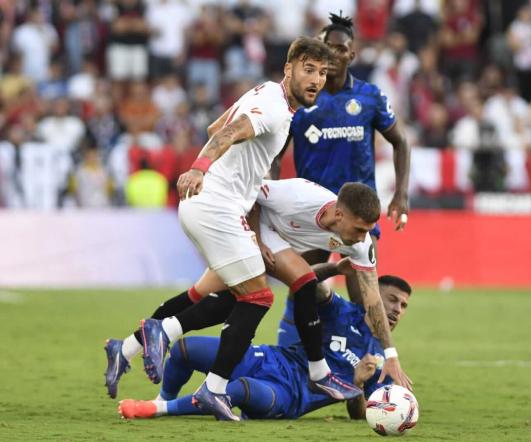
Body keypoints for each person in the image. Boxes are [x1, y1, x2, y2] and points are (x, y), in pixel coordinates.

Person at [144, 37, 333, 421]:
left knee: (234, 293)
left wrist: (239, 170)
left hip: (212, 204)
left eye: (323, 73)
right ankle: (180, 355)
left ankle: (152, 341)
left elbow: (218, 124)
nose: (316, 79)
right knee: (258, 298)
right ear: (289, 68)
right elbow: (228, 133)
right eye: (309, 69)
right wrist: (200, 167)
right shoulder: (277, 112)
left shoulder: (265, 92)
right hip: (216, 205)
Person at [105, 180, 411, 399]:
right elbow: (251, 195)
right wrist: (257, 241)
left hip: (272, 245)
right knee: (302, 282)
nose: (361, 239)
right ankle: (318, 372)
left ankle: (126, 348)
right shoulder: (298, 196)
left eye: (367, 232)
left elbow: (372, 301)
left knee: (206, 296)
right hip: (247, 227)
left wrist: (391, 354)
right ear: (340, 215)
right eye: (359, 230)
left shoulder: (361, 244)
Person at [117, 273, 413, 421]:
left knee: (238, 389)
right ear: (372, 296)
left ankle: (158, 409)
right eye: (391, 300)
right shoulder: (342, 311)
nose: (397, 310)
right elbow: (311, 281)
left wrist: (358, 384)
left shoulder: (383, 359)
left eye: (403, 305)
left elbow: (359, 415)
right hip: (269, 358)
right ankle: (163, 396)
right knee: (184, 350)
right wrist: (334, 266)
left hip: (289, 396)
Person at [276, 12, 410, 304]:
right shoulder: (300, 99)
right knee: (303, 295)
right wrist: (272, 203)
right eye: (327, 47)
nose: (333, 54)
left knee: (366, 299)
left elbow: (400, 143)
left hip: (360, 213)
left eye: (340, 48)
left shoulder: (369, 97)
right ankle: (308, 350)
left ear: (352, 53)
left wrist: (400, 194)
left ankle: (371, 351)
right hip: (312, 212)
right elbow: (274, 155)